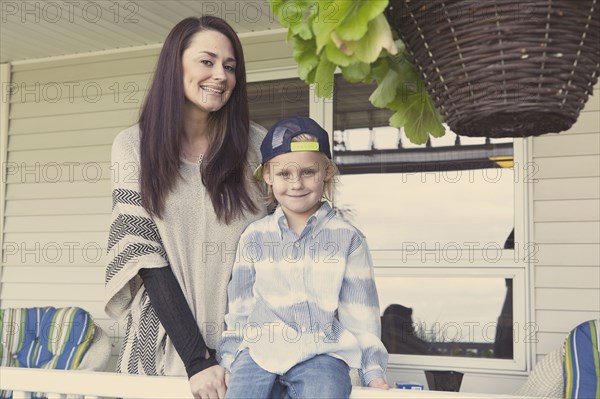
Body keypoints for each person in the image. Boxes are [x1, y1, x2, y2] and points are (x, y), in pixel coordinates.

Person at [103, 16, 267, 399]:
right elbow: (144, 258)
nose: (220, 75)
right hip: (163, 352)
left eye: (230, 66)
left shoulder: (259, 148)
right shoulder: (133, 147)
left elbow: (285, 247)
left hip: (248, 354)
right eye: (206, 61)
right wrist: (198, 360)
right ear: (175, 65)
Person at [219, 116, 390, 398]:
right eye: (285, 174)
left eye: (308, 172)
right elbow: (240, 308)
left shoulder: (348, 239)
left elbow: (361, 314)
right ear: (268, 176)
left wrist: (373, 371)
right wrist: (226, 360)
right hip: (259, 350)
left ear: (327, 172)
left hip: (322, 352)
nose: (296, 183)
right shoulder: (254, 236)